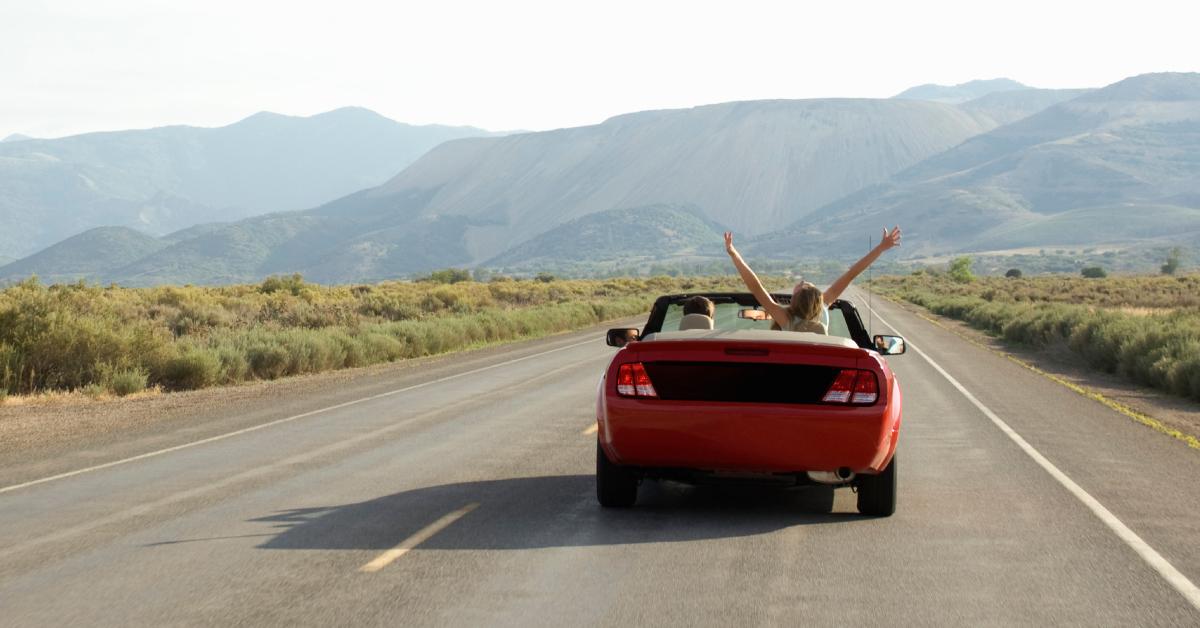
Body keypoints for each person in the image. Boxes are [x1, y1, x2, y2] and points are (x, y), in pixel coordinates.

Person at [723, 227, 902, 334]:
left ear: (793, 300)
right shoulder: (822, 309)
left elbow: (756, 287)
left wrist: (733, 253)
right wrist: (880, 248)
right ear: (817, 300)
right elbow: (851, 274)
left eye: (803, 286)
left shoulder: (786, 319)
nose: (803, 281)